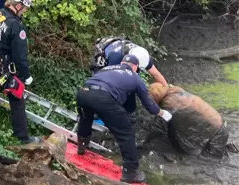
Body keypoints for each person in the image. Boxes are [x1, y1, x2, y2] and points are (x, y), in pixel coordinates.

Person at [76, 54, 173, 183]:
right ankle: (131, 173)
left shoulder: (107, 68)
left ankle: (82, 147)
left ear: (122, 63)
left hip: (83, 92)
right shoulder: (134, 77)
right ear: (135, 67)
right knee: (126, 134)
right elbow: (149, 105)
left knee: (85, 119)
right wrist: (163, 114)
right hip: (103, 97)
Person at [0, 0, 42, 144]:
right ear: (18, 5)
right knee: (17, 98)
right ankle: (23, 138)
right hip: (3, 67)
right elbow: (20, 57)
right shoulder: (16, 25)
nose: (25, 11)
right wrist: (26, 76)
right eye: (25, 8)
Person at [147, 82, 239, 161]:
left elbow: (158, 128)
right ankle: (230, 148)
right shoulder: (175, 90)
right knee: (216, 152)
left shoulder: (168, 104)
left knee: (209, 161)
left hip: (216, 132)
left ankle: (230, 149)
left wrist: (146, 142)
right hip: (220, 125)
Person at [90, 36, 169, 123]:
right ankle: (97, 111)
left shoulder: (143, 57)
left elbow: (156, 74)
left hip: (123, 57)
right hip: (104, 60)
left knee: (129, 87)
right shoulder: (116, 57)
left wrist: (167, 89)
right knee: (106, 87)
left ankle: (129, 112)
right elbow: (111, 81)